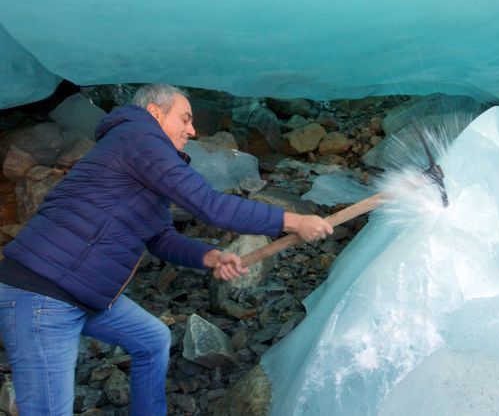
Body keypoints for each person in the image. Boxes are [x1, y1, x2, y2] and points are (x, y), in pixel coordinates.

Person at [0, 84, 333, 415]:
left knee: (152, 339)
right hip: (43, 293)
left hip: (85, 291)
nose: (192, 129)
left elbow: (159, 236)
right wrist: (290, 220)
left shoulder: (142, 157)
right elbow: (209, 205)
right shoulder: (138, 138)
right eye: (185, 119)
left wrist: (208, 256)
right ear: (155, 113)